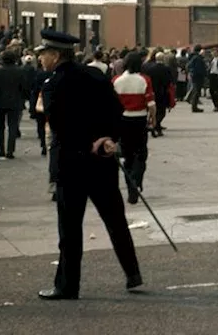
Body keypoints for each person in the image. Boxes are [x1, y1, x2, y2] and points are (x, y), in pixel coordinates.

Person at [35, 29, 142, 300]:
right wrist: (108, 137)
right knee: (115, 219)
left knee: (70, 228)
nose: (40, 59)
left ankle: (68, 285)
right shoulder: (95, 76)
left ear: (56, 55)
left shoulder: (53, 84)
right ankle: (132, 273)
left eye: (44, 54)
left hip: (71, 164)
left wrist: (85, 141)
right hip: (101, 160)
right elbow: (117, 111)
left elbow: (60, 125)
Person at [112, 52, 156, 204]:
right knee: (141, 154)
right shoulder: (144, 80)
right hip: (139, 120)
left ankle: (131, 186)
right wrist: (153, 119)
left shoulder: (116, 81)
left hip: (122, 121)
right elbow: (151, 104)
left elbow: (112, 105)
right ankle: (136, 181)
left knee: (127, 156)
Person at [0, 49, 29, 159]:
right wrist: (24, 98)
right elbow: (24, 87)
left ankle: (1, 149)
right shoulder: (20, 71)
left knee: (0, 127)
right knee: (13, 126)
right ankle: (10, 150)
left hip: (0, 102)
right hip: (15, 101)